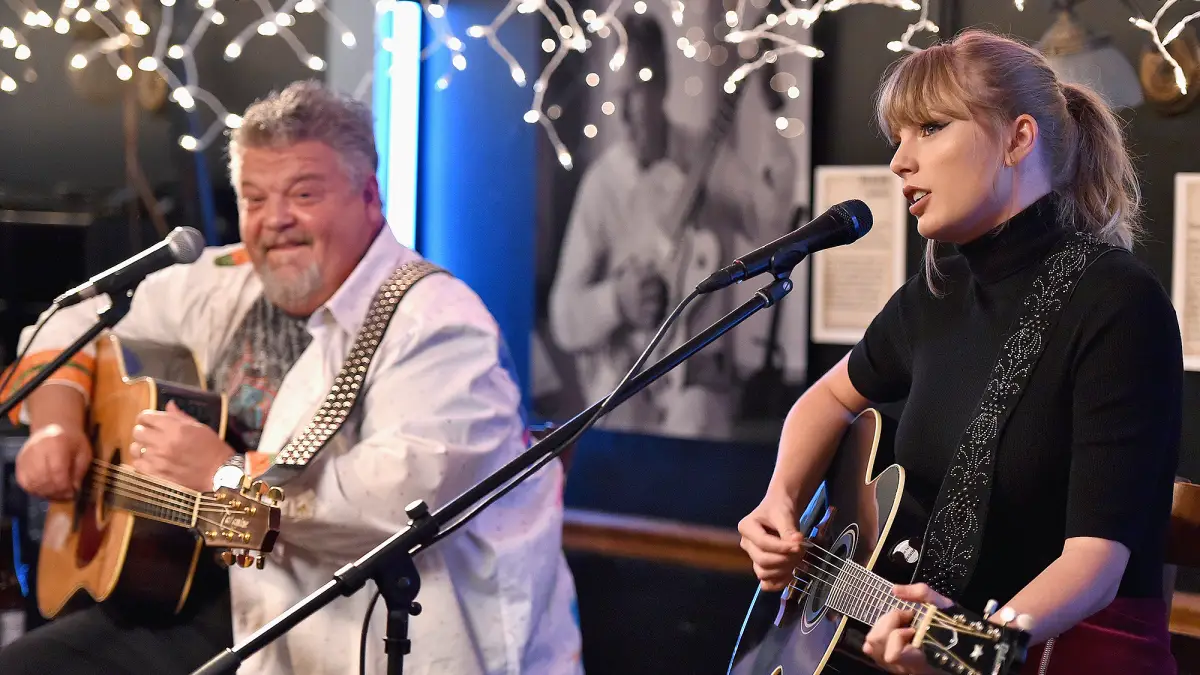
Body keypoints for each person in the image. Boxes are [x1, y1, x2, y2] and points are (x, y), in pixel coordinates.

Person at [0, 80, 583, 675]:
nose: (275, 220)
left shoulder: (436, 326)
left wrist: (222, 474)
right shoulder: (227, 282)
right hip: (217, 597)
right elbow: (70, 316)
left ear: (369, 196)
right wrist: (56, 425)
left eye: (304, 194)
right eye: (254, 199)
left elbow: (403, 502)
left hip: (362, 632)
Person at [737, 29, 1180, 675]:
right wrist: (780, 499)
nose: (899, 161)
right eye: (898, 137)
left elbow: (1097, 560)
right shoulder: (935, 292)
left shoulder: (1118, 302)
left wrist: (971, 640)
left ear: (1018, 138)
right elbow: (828, 398)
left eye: (930, 128)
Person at [546, 11, 797, 440]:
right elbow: (563, 318)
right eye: (617, 96)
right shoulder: (602, 184)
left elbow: (772, 223)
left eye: (636, 93)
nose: (624, 114)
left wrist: (773, 106)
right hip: (620, 403)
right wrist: (617, 301)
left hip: (696, 402)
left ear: (661, 84)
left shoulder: (706, 157)